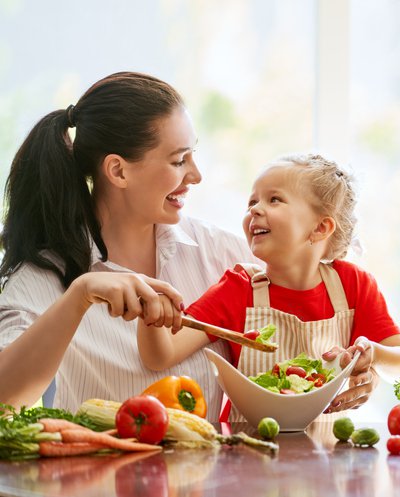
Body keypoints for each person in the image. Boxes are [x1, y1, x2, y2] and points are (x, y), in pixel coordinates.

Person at [0, 72, 257, 423]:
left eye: (192, 155)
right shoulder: (45, 276)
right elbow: (5, 399)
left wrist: (351, 365)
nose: (196, 175)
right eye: (179, 160)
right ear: (118, 171)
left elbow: (302, 311)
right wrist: (79, 296)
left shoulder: (218, 253)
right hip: (101, 477)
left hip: (220, 476)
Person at [137, 153, 400, 420]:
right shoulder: (238, 288)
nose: (254, 209)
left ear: (320, 228)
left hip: (328, 456)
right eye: (252, 201)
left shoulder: (353, 284)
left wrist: (373, 355)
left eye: (274, 200)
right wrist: (149, 310)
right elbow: (161, 355)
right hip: (248, 452)